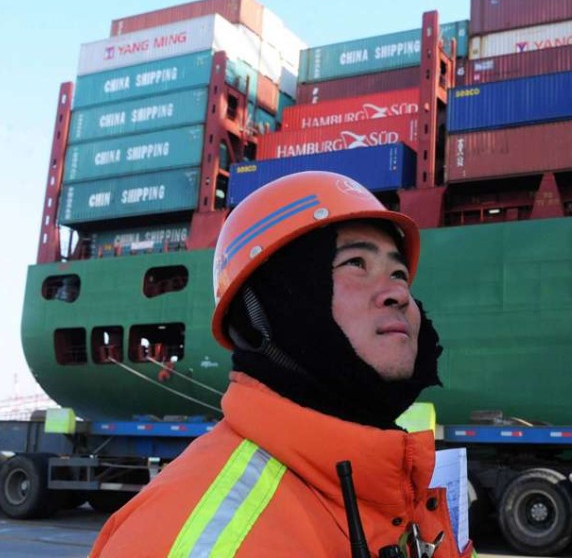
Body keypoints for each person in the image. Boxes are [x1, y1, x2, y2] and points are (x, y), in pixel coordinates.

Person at [91, 171, 471, 557]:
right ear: (266, 308)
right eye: (356, 263)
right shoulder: (189, 538)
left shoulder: (407, 501)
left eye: (399, 273)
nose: (399, 293)